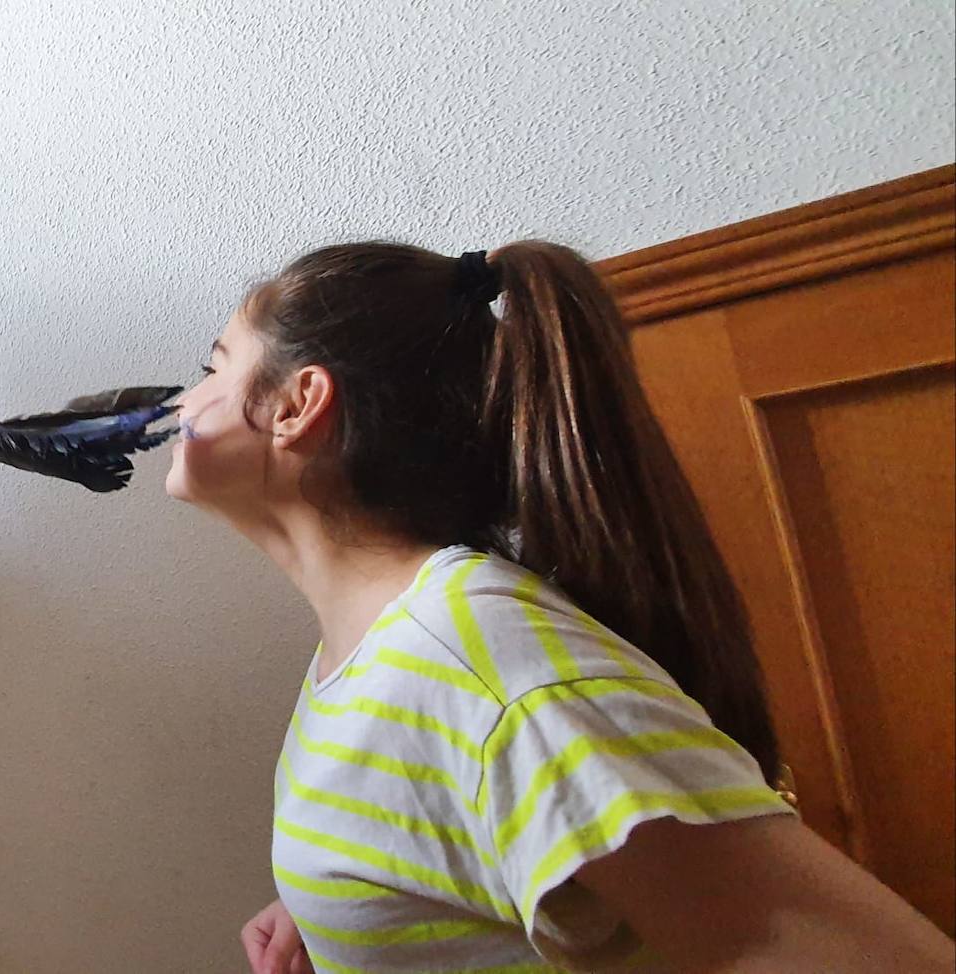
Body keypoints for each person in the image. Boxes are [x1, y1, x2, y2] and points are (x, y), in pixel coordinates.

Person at [165, 241, 955, 973]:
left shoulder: (478, 663)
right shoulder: (393, 653)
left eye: (215, 366)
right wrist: (346, 900)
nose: (183, 400)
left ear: (298, 403)